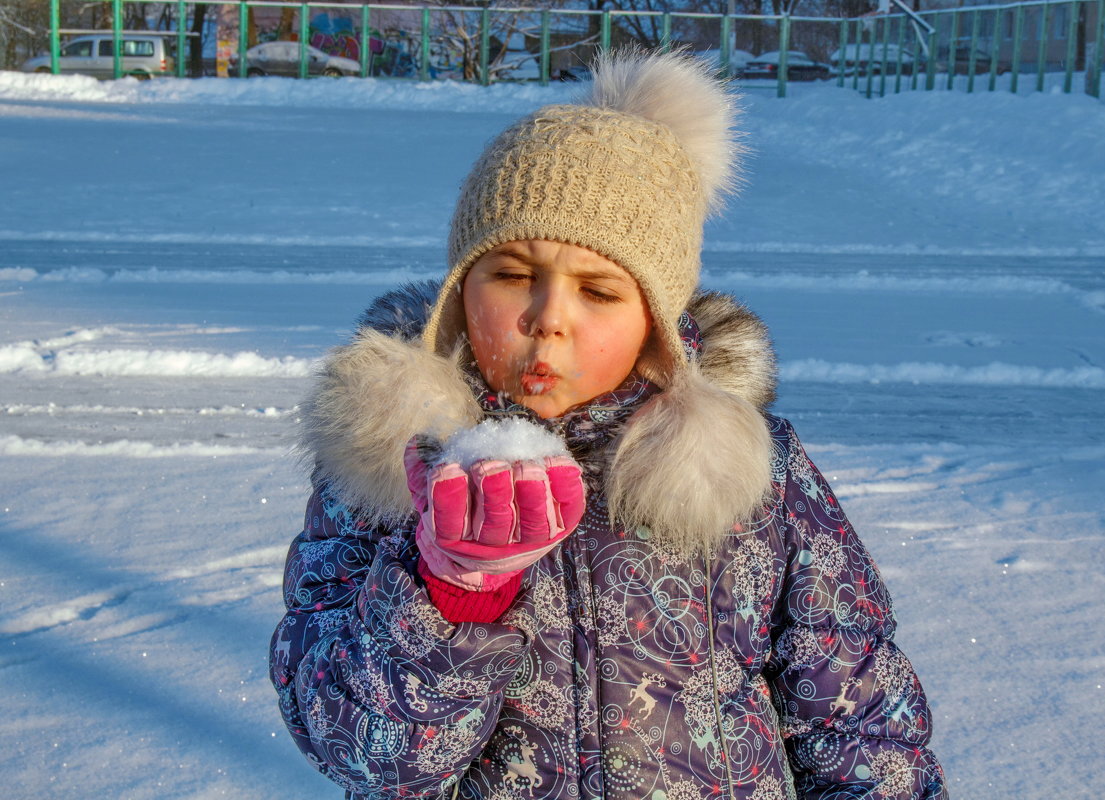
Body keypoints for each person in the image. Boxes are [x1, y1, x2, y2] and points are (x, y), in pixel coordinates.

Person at [270, 49, 947, 800]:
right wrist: (450, 595)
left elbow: (855, 715)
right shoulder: (390, 465)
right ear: (460, 290)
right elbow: (362, 751)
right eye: (513, 275)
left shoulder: (748, 472)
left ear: (658, 320)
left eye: (598, 290)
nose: (548, 320)